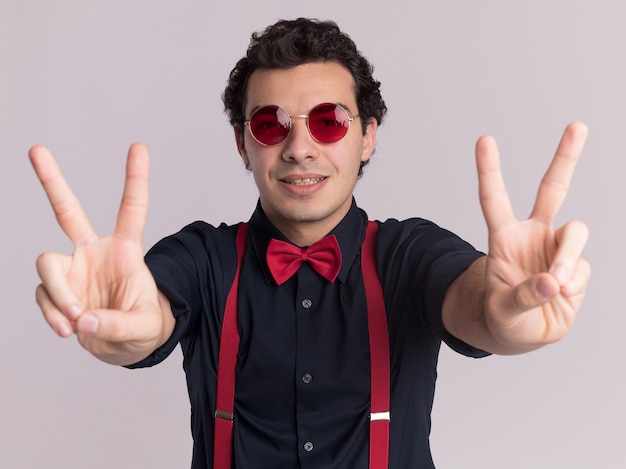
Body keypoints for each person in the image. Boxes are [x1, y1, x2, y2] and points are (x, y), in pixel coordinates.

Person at [30, 17, 590, 469]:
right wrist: (119, 327)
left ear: (368, 136)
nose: (299, 148)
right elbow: (147, 318)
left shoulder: (409, 254)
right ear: (243, 144)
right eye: (271, 125)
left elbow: (475, 305)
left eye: (328, 122)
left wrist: (507, 315)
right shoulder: (203, 257)